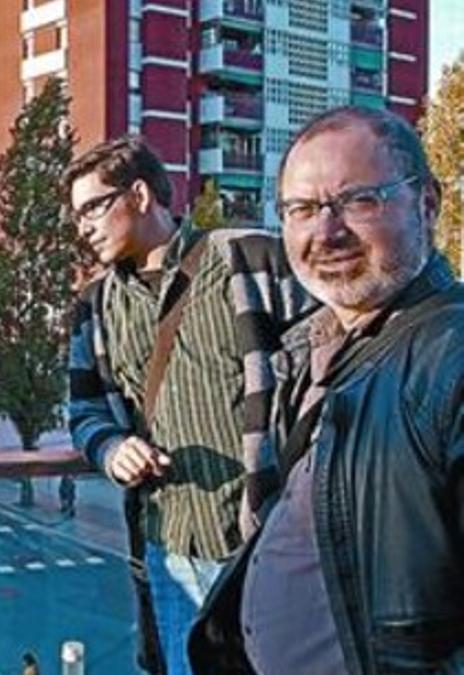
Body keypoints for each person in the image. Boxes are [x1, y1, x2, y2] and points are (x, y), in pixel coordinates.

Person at [190, 107, 464, 673]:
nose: (326, 231)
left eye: (359, 200)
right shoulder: (312, 350)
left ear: (427, 204)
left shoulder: (449, 358)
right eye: (303, 209)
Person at [66, 137, 310, 675]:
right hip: (169, 547)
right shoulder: (95, 306)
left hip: (264, 544)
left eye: (91, 208)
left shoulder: (251, 259)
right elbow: (83, 412)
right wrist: (111, 449)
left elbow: (332, 365)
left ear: (139, 194)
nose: (81, 226)